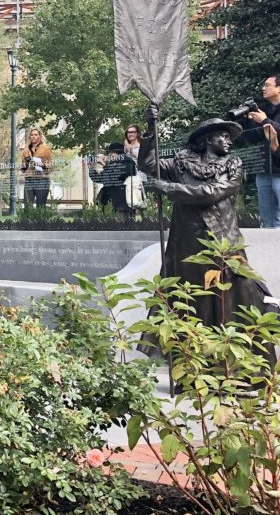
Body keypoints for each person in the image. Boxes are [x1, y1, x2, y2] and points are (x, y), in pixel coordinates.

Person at [140, 110, 270, 330]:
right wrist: (151, 131)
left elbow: (212, 192)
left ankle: (229, 348)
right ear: (208, 139)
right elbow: (148, 164)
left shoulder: (233, 165)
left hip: (222, 237)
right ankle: (190, 348)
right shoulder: (180, 163)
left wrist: (171, 188)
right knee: (190, 293)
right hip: (187, 242)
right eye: (224, 136)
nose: (229, 141)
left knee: (231, 292)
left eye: (230, 137)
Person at [243, 74, 280, 228]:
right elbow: (252, 139)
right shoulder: (265, 111)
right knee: (267, 221)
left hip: (279, 173)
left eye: (267, 85)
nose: (263, 88)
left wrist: (265, 121)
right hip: (264, 172)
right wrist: (246, 120)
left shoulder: (265, 116)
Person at [88, 142, 137, 221]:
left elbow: (119, 174)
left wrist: (104, 164)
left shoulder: (128, 162)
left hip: (122, 204)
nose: (110, 156)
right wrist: (91, 168)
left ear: (118, 153)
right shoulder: (111, 164)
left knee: (123, 227)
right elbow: (100, 178)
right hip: (107, 203)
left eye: (111, 153)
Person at [21, 128, 53, 208]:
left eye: (36, 135)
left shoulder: (45, 149)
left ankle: (40, 221)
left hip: (42, 179)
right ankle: (26, 221)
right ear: (29, 137)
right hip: (29, 179)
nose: (33, 137)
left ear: (40, 136)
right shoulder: (26, 150)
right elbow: (22, 169)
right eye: (32, 135)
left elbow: (49, 166)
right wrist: (25, 164)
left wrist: (37, 163)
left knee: (41, 207)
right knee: (27, 206)